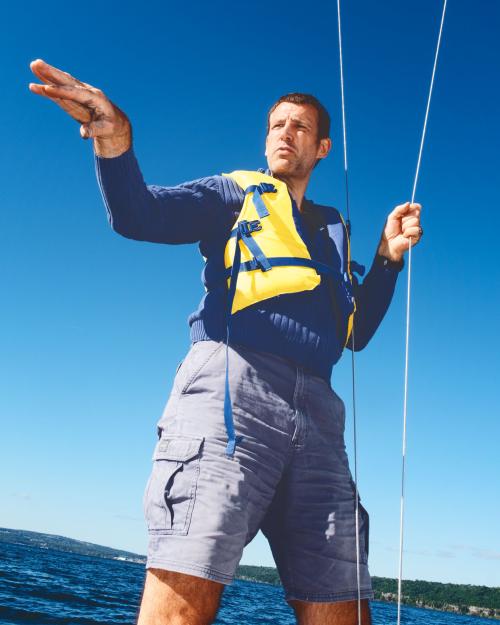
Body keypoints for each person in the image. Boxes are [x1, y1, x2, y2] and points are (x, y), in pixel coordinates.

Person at [29, 58, 422, 625]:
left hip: (320, 414)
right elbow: (139, 215)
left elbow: (355, 333)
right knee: (190, 570)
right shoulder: (233, 193)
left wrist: (387, 260)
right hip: (233, 387)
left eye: (300, 127)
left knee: (343, 601)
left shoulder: (334, 232)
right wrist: (114, 142)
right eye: (276, 125)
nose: (285, 133)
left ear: (323, 149)